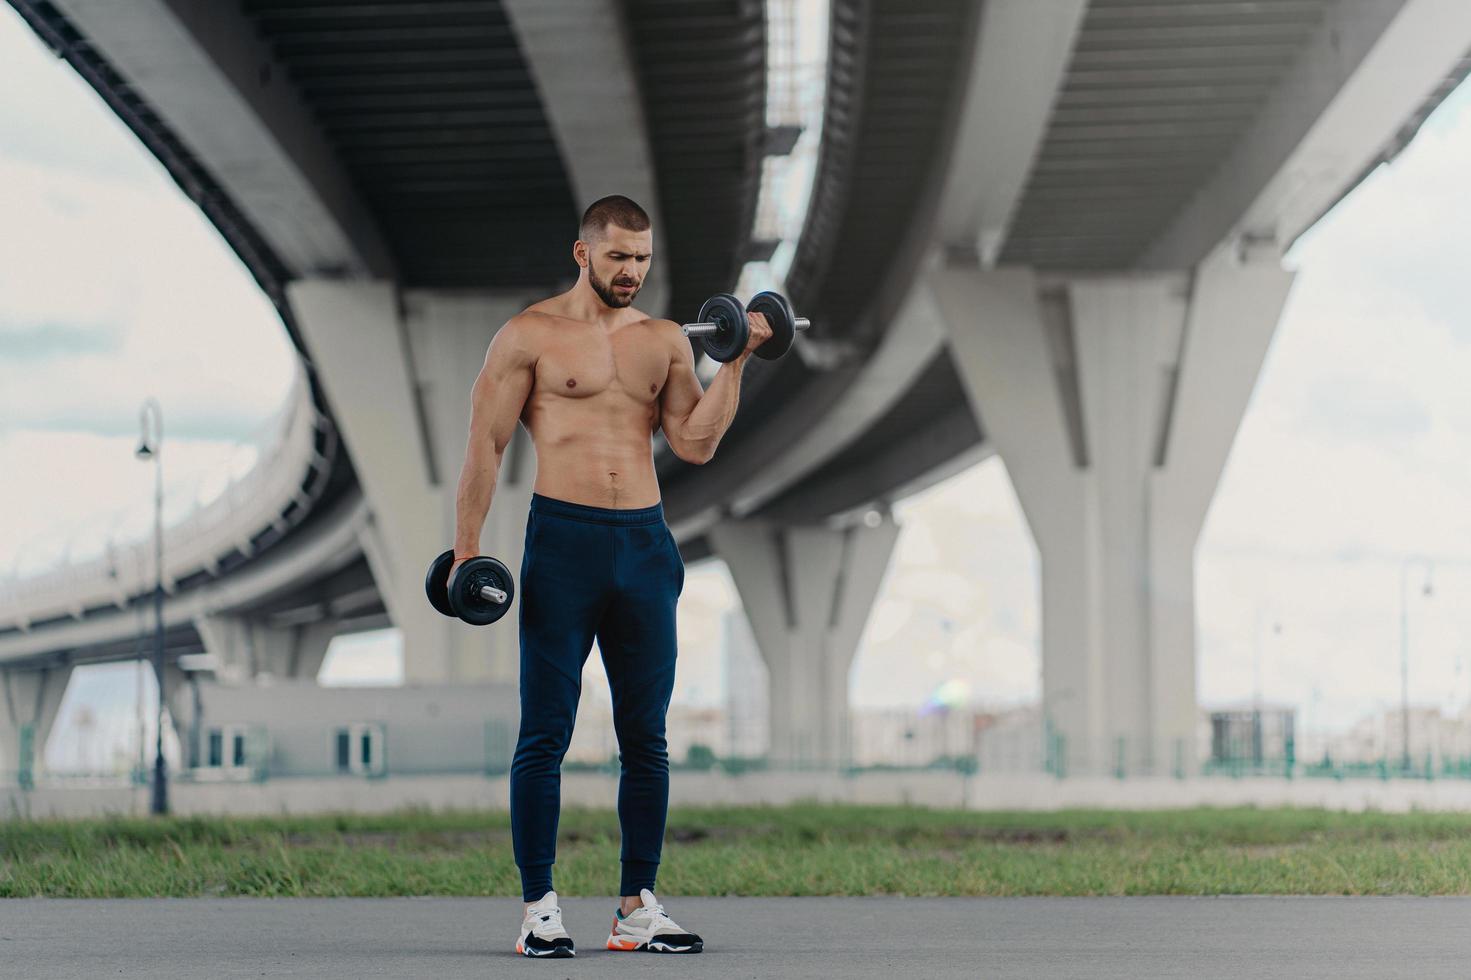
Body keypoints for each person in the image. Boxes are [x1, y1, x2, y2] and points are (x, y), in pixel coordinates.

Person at [450, 195, 772, 957]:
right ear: (582, 253)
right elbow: (486, 447)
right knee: (545, 735)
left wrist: (734, 362)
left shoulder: (662, 341)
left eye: (642, 259)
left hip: (645, 546)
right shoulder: (528, 335)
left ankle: (636, 908)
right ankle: (539, 909)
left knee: (646, 739)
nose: (632, 271)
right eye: (619, 256)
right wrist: (466, 553)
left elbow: (693, 443)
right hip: (563, 543)